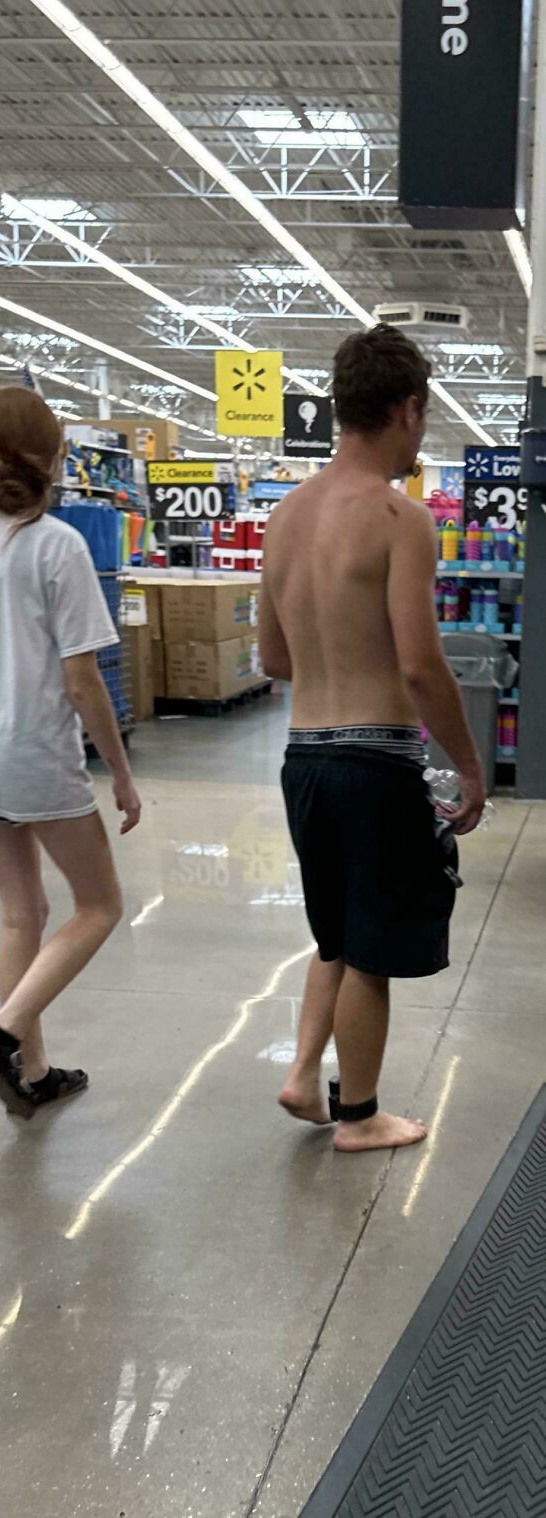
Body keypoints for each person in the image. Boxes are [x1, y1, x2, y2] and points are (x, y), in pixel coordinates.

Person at [260, 324, 485, 1154]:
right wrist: (469, 767)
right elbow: (424, 668)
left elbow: (272, 656)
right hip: (373, 758)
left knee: (337, 934)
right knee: (372, 954)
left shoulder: (285, 516)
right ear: (404, 408)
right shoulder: (400, 519)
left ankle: (306, 1078)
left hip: (303, 760)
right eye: (422, 419)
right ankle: (360, 1115)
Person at [0, 386, 141, 1120]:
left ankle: (31, 1075)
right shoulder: (59, 546)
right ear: (56, 454)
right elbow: (82, 683)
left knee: (21, 912)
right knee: (100, 905)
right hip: (35, 752)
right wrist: (124, 776)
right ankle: (4, 1034)